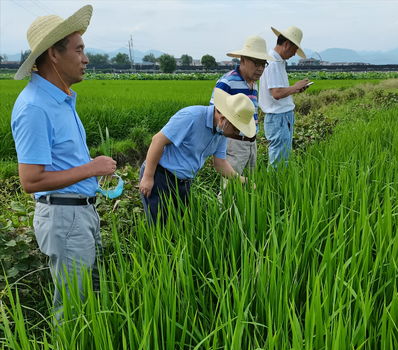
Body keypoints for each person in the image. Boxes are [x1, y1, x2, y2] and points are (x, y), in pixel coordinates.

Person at [11, 5, 117, 317]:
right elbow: (30, 181)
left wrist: (90, 173)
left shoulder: (62, 99)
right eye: (79, 49)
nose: (86, 58)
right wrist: (92, 168)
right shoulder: (35, 107)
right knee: (72, 312)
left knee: (90, 300)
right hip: (64, 218)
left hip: (80, 213)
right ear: (53, 55)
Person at [139, 89, 256, 224]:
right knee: (160, 227)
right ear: (223, 120)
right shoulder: (191, 116)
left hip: (184, 182)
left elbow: (220, 164)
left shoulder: (221, 132)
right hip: (160, 176)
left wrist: (241, 180)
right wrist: (148, 177)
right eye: (236, 128)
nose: (236, 133)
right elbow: (157, 141)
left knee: (182, 226)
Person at [209, 36, 274, 178]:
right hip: (234, 144)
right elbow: (213, 113)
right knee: (230, 187)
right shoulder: (227, 82)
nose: (260, 69)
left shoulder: (253, 84)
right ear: (243, 59)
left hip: (251, 143)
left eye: (263, 64)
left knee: (248, 186)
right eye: (256, 63)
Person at [259, 26, 311, 166]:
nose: (294, 54)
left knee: (283, 158)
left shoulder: (278, 61)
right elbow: (276, 93)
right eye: (294, 50)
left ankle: (278, 185)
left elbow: (280, 91)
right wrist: (295, 87)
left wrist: (295, 90)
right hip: (278, 118)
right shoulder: (273, 62)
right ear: (287, 44)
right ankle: (275, 187)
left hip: (282, 117)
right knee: (279, 161)